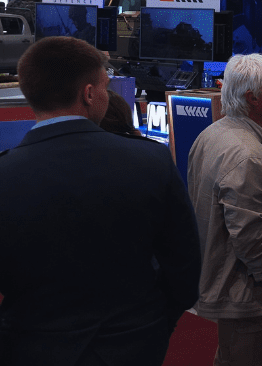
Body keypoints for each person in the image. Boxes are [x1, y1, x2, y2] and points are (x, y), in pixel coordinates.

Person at [0, 37, 201, 365]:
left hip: (32, 348)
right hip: (134, 344)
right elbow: (185, 266)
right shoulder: (152, 162)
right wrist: (154, 324)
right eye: (106, 87)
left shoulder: (5, 173)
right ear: (89, 94)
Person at [187, 54, 262, 366]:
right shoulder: (247, 155)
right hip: (245, 291)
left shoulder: (213, 133)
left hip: (223, 280)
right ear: (252, 98)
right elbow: (250, 237)